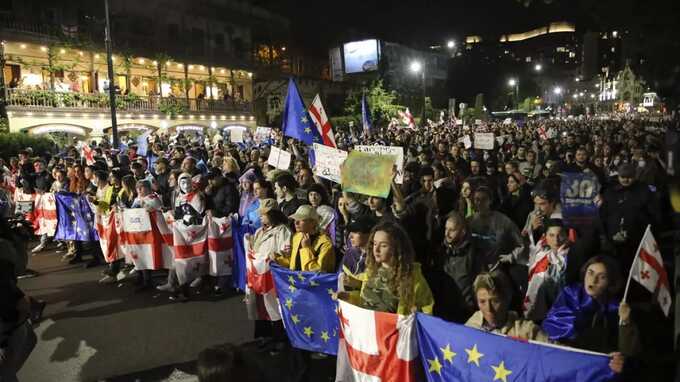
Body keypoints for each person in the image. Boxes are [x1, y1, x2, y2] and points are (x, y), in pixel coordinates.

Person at [542, 256, 639, 374]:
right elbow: (557, 334)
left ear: (611, 282)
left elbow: (629, 353)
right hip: (563, 362)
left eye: (602, 277)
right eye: (590, 273)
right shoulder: (571, 295)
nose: (593, 281)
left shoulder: (616, 308)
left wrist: (625, 322)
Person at [343, 221, 434, 315]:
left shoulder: (413, 279)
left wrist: (416, 316)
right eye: (374, 244)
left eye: (383, 245)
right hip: (368, 327)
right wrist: (348, 297)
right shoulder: (371, 271)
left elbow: (427, 312)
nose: (376, 249)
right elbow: (366, 302)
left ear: (397, 248)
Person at [244, 204, 291, 352]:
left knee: (273, 306)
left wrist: (275, 257)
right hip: (258, 274)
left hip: (271, 274)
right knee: (259, 305)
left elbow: (285, 251)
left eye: (263, 214)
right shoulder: (259, 231)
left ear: (271, 215)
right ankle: (266, 336)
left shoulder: (282, 231)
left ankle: (280, 339)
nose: (260, 217)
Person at [465, 271, 548, 341]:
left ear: (507, 299)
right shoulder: (471, 326)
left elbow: (557, 353)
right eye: (482, 301)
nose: (488, 308)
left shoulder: (526, 331)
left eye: (495, 301)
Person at [429, 211, 478, 323]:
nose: (447, 233)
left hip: (464, 311)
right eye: (446, 229)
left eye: (452, 230)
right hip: (443, 308)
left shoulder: (473, 254)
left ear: (462, 232)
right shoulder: (441, 251)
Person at [522, 219, 570, 321]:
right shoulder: (541, 253)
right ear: (546, 237)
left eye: (560, 235)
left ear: (566, 236)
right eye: (551, 235)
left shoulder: (572, 256)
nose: (556, 240)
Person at [275, 205, 334, 272]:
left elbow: (317, 271)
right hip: (296, 280)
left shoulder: (325, 243)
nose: (296, 223)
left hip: (310, 281)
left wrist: (306, 248)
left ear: (313, 222)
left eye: (301, 220)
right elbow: (292, 263)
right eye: (295, 219)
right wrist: (278, 259)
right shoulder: (297, 236)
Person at [339, 215, 377, 292]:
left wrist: (358, 284)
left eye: (355, 232)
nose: (350, 236)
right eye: (350, 232)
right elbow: (339, 276)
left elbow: (379, 291)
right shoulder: (349, 253)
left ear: (369, 234)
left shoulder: (378, 258)